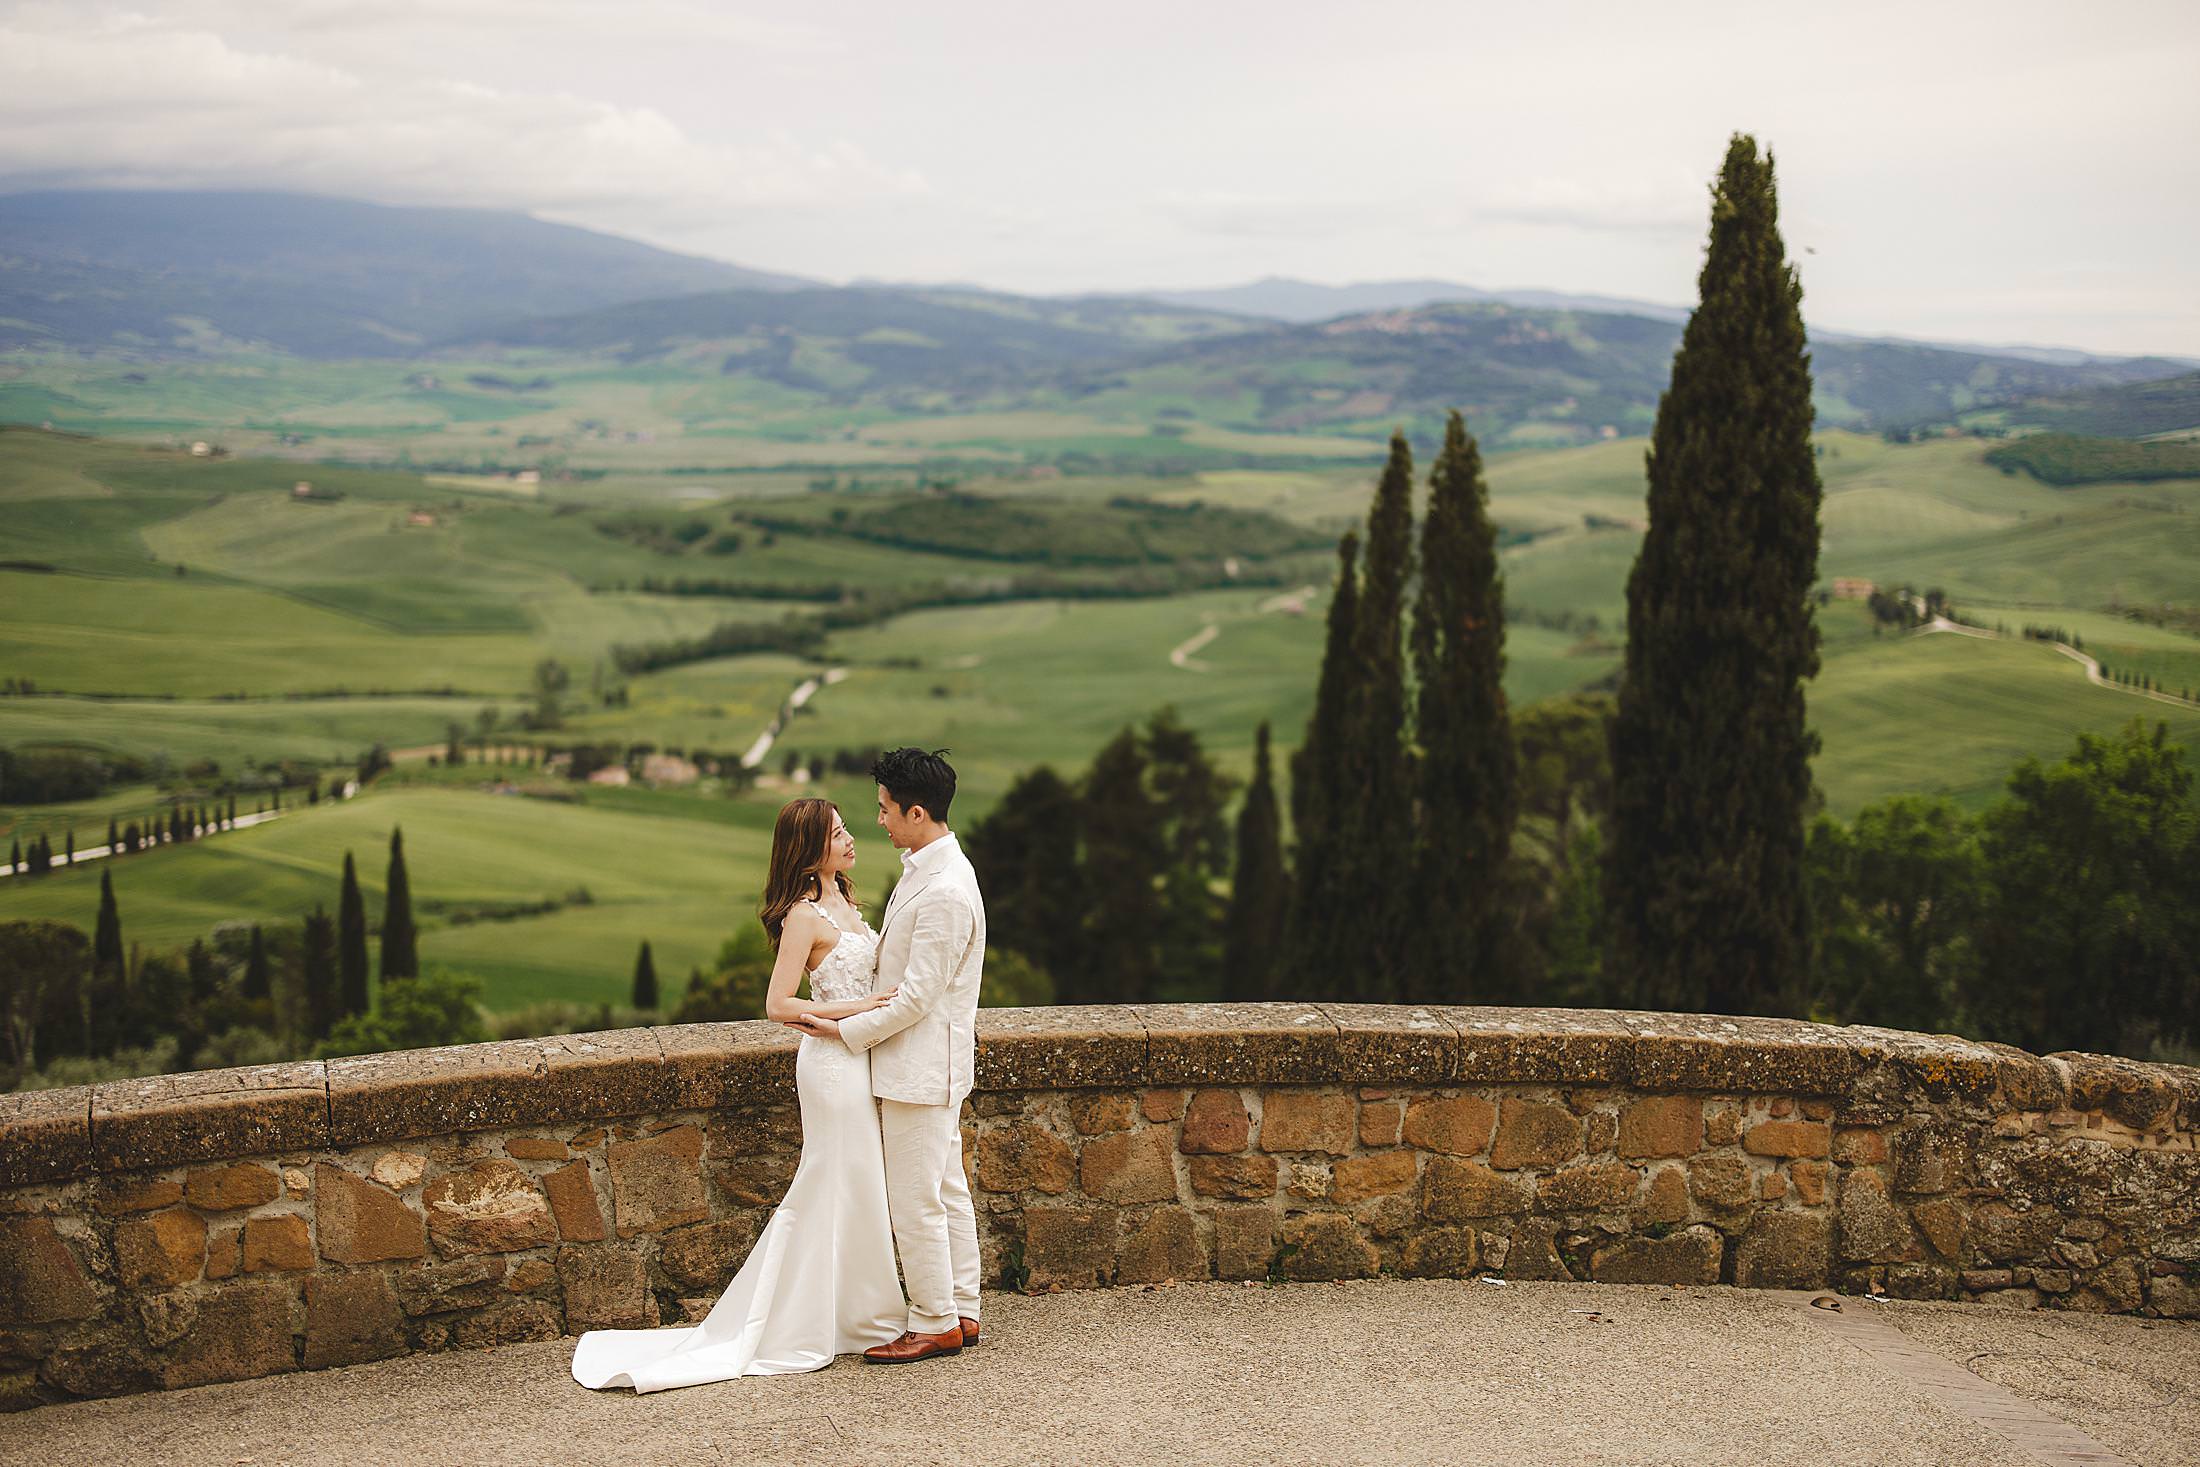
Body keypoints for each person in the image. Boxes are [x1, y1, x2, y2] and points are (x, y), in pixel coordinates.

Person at [570, 798, 903, 1390]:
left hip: (859, 1057)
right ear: (809, 847)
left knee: (858, 1181)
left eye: (847, 827)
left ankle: (859, 1314)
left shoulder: (847, 901)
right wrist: (859, 1009)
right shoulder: (802, 916)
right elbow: (779, 1006)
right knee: (829, 1178)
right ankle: (801, 1321)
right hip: (829, 1063)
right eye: (838, 833)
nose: (852, 837)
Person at [786, 747, 987, 1364]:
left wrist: (843, 1034)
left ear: (917, 812)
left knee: (916, 1196)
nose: (878, 821)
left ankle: (934, 1321)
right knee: (946, 1187)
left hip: (920, 1067)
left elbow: (917, 999)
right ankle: (963, 1306)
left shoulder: (946, 890)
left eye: (884, 809)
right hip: (925, 1063)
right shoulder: (927, 868)